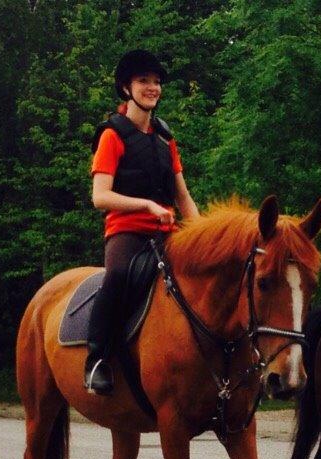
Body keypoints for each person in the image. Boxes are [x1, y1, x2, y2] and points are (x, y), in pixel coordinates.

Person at [85, 49, 199, 395]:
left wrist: (204, 234)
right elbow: (99, 196)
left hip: (168, 234)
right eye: (143, 81)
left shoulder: (166, 138)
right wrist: (147, 206)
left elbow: (182, 196)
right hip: (126, 233)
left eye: (156, 82)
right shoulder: (112, 135)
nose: (152, 87)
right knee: (117, 277)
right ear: (126, 88)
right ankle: (97, 360)